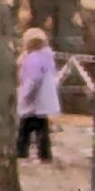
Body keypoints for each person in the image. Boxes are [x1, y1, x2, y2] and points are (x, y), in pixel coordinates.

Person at [18, 27, 62, 163]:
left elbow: (33, 80)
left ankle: (21, 152)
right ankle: (44, 154)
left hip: (35, 100)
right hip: (43, 101)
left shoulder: (34, 59)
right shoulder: (46, 57)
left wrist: (25, 96)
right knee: (41, 127)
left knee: (26, 127)